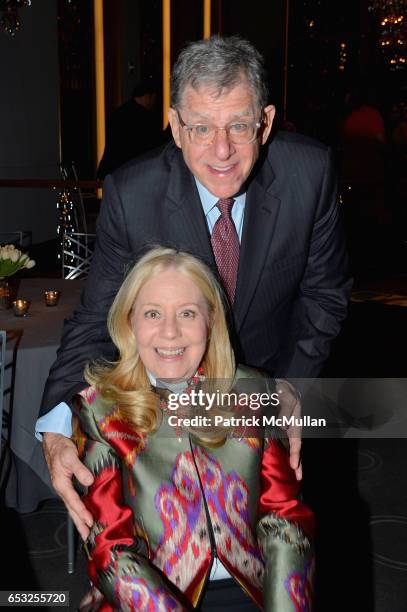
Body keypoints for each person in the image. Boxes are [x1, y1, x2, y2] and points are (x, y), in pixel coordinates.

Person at [38, 36, 351, 541]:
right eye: (201, 127)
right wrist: (55, 429)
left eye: (239, 126)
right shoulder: (132, 194)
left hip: (267, 398)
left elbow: (324, 296)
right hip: (164, 418)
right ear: (177, 127)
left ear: (265, 123)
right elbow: (97, 319)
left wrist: (292, 385)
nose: (221, 150)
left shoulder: (308, 175)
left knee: (271, 553)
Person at [73, 247, 315, 611]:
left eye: (187, 313)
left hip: (255, 589)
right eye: (152, 313)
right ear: (129, 322)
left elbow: (284, 519)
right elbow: (110, 547)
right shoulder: (99, 409)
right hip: (148, 596)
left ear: (211, 321)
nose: (170, 332)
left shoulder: (253, 391)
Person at [96, 77, 165, 179]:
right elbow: (153, 146)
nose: (153, 104)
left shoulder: (118, 113)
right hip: (132, 173)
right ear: (147, 96)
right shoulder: (145, 118)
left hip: (112, 170)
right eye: (153, 99)